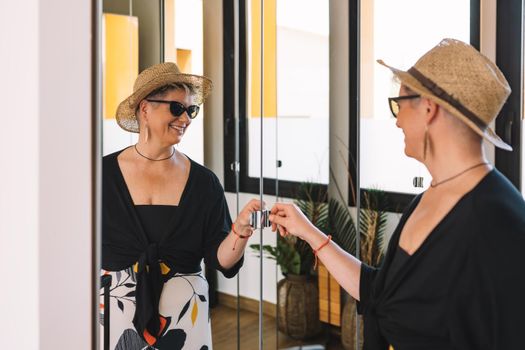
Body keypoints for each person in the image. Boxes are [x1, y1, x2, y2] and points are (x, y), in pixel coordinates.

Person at [269, 38, 525, 349]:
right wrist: (307, 231)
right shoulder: (429, 196)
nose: (397, 120)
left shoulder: (498, 222)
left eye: (399, 104)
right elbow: (379, 292)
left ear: (428, 107)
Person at [101, 62, 262, 349]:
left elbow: (220, 261)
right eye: (176, 108)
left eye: (191, 110)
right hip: (114, 314)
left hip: (186, 316)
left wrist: (239, 231)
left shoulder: (204, 183)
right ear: (145, 109)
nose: (185, 118)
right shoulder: (100, 175)